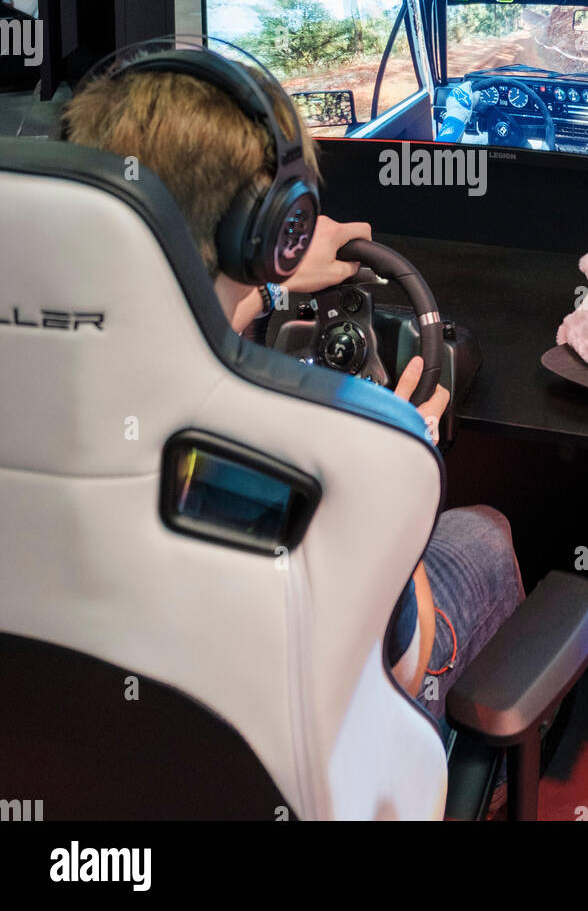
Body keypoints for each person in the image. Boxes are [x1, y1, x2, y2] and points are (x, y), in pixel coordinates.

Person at [62, 52, 524, 737]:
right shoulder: (313, 448)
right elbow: (401, 663)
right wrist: (401, 457)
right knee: (484, 531)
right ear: (275, 224)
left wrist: (268, 285)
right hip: (305, 747)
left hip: (90, 739)